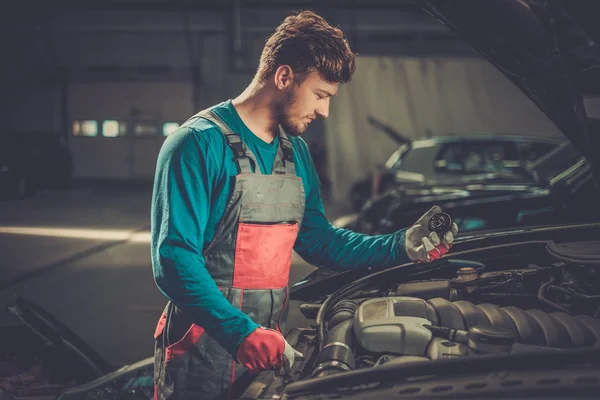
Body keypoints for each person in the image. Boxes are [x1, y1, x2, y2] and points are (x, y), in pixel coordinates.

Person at [150, 10, 458, 400]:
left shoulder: (295, 152)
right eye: (320, 95)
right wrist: (239, 331)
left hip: (267, 345)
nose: (325, 111)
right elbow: (174, 259)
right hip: (202, 349)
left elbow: (318, 240)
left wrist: (400, 246)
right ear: (283, 77)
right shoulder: (196, 144)